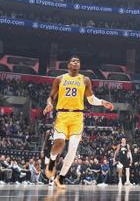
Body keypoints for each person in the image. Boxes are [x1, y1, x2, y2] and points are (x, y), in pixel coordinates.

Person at [43, 56, 114, 189]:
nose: (76, 62)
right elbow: (51, 97)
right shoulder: (59, 79)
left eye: (78, 61)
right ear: (68, 64)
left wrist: (102, 102)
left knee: (73, 149)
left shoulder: (85, 80)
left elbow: (91, 99)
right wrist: (49, 104)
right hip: (62, 115)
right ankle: (52, 162)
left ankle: (61, 178)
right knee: (60, 142)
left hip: (77, 116)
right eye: (73, 61)